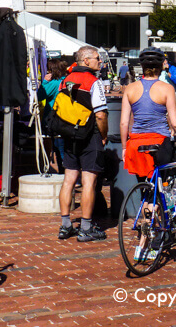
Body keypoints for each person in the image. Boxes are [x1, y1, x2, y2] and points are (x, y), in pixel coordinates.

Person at [120, 47, 176, 261]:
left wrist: (125, 147)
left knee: (146, 192)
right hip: (159, 143)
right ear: (162, 65)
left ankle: (143, 240)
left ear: (141, 67)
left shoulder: (130, 89)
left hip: (136, 145)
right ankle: (154, 239)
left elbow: (124, 122)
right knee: (161, 191)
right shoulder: (166, 88)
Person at [57, 46, 109, 243]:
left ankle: (65, 225)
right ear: (86, 61)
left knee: (69, 179)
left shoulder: (65, 80)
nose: (100, 62)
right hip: (89, 136)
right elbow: (101, 114)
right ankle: (86, 228)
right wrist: (103, 135)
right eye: (97, 58)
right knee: (89, 182)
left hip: (69, 135)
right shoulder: (93, 82)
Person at [37, 59, 68, 171]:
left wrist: (44, 82)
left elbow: (40, 96)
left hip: (54, 120)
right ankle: (67, 174)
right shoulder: (67, 81)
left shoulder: (54, 83)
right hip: (67, 119)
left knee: (59, 149)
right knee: (65, 150)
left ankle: (65, 175)